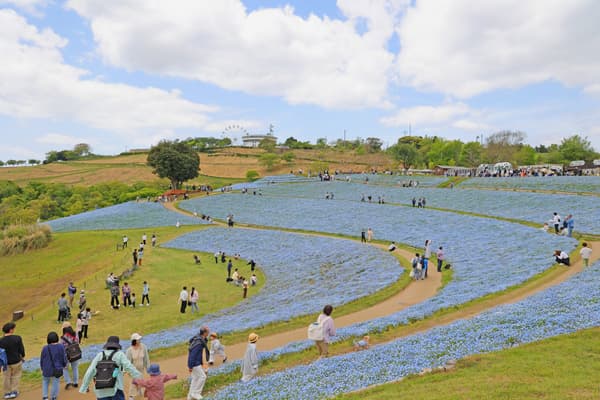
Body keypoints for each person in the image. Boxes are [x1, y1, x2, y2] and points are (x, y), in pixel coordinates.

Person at [0, 322, 25, 399]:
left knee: (6, 377)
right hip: (16, 361)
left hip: (5, 363)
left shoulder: (1, 341)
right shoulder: (17, 338)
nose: (14, 330)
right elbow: (21, 350)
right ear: (10, 330)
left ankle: (7, 393)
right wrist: (23, 356)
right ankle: (14, 391)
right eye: (13, 328)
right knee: (16, 376)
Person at [40, 331, 67, 400]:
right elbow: (63, 357)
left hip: (46, 368)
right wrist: (64, 365)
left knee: (45, 381)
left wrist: (42, 367)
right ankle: (53, 397)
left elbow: (42, 359)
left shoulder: (45, 348)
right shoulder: (60, 346)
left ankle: (45, 396)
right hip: (57, 368)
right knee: (56, 382)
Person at [187, 328, 209, 400]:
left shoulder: (199, 340)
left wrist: (202, 363)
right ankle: (196, 393)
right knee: (203, 377)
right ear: (204, 333)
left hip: (195, 363)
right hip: (195, 364)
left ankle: (190, 396)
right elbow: (193, 355)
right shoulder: (199, 343)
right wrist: (190, 366)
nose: (209, 333)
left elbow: (199, 354)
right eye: (208, 331)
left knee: (195, 378)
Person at [126, 333, 150, 400]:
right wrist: (128, 370)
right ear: (134, 341)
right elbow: (127, 362)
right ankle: (131, 396)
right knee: (133, 382)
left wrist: (148, 368)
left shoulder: (143, 347)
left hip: (141, 369)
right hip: (133, 370)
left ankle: (140, 393)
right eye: (138, 339)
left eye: (139, 339)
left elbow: (146, 358)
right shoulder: (129, 350)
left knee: (141, 380)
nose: (139, 340)